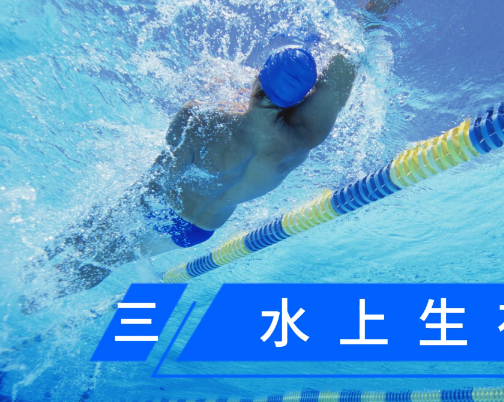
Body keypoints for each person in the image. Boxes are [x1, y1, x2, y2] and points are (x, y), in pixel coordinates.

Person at [20, 0, 402, 314]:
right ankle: (38, 300)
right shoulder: (305, 136)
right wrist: (377, 10)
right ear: (303, 99)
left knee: (99, 229)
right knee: (111, 258)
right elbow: (344, 67)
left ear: (258, 80)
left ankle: (37, 273)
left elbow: (159, 179)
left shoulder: (200, 119)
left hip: (160, 208)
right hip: (197, 232)